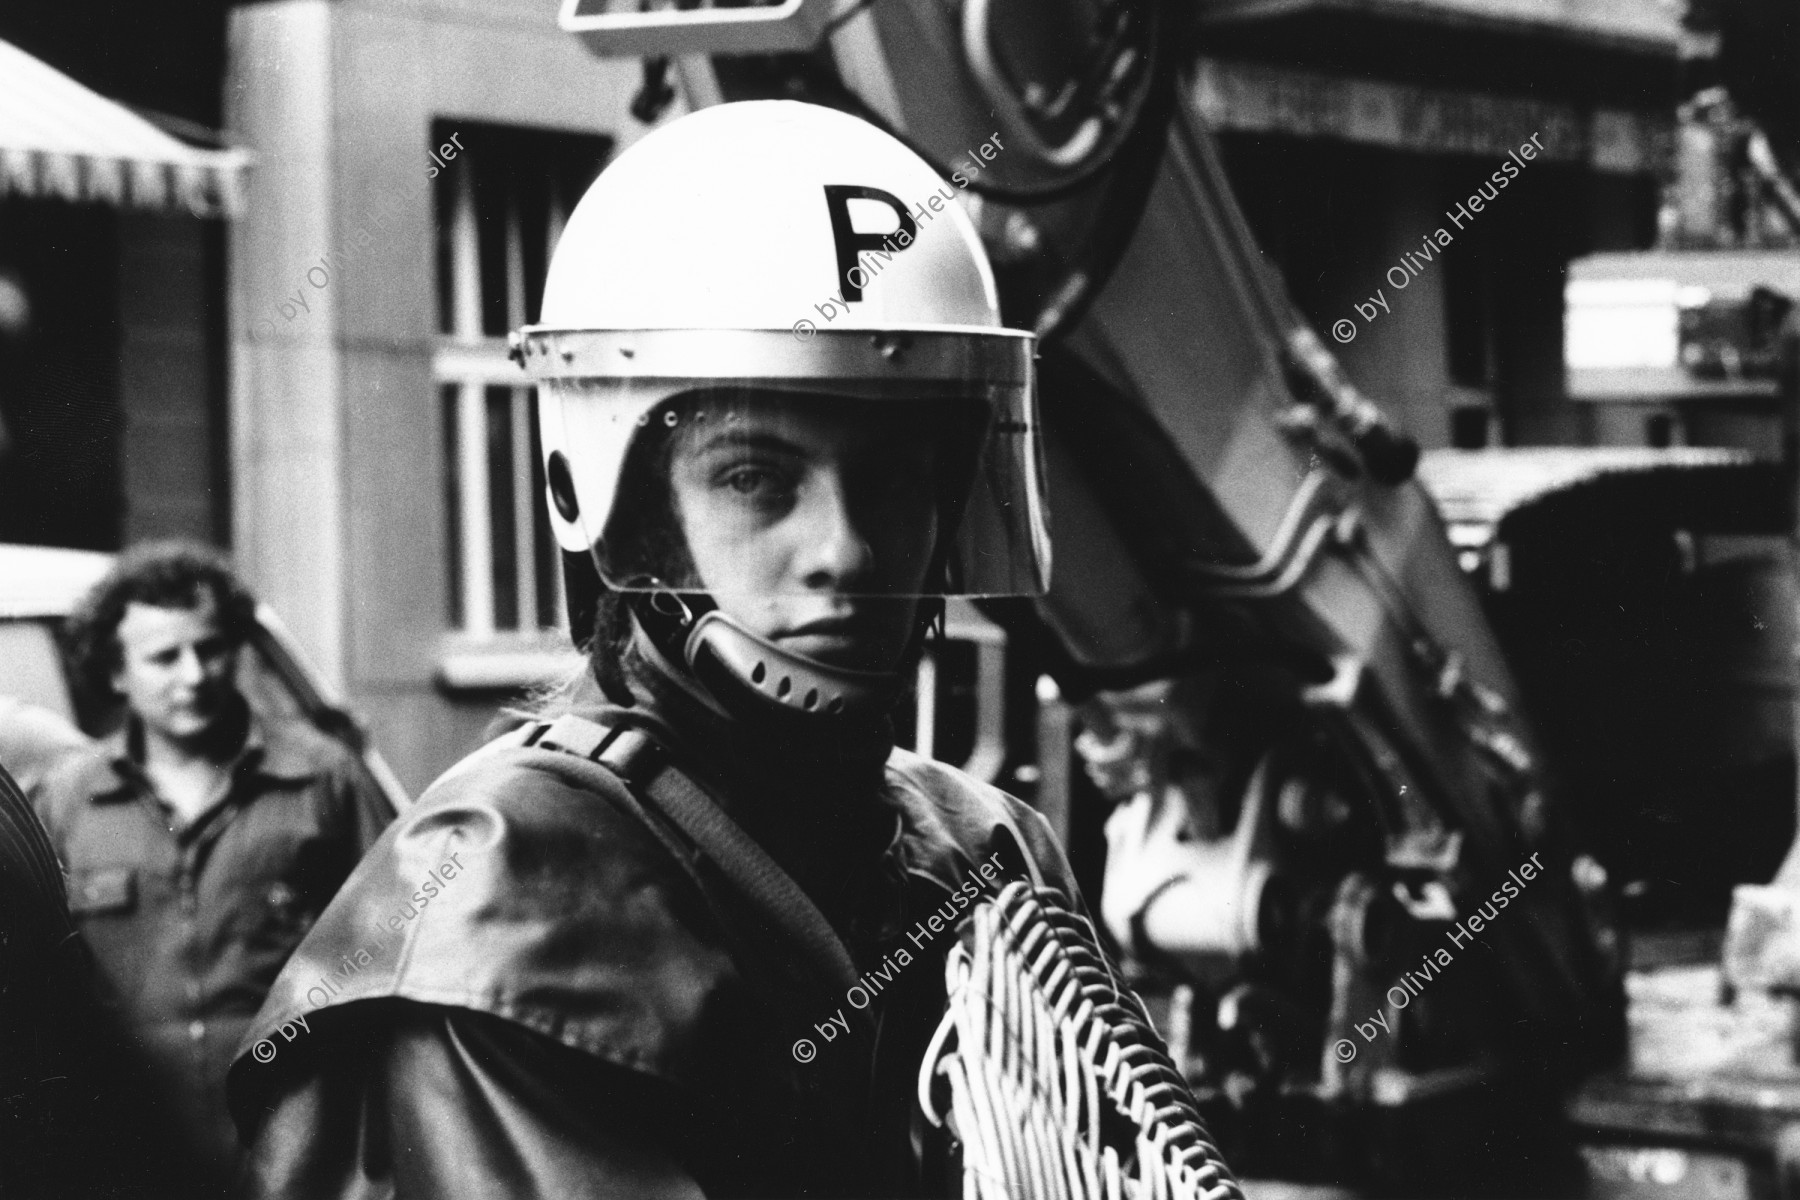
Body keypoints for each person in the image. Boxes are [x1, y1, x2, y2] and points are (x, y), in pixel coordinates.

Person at [229, 100, 1079, 1198]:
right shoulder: (507, 889)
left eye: (897, 474)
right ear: (621, 500)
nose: (844, 549)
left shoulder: (990, 849)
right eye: (755, 479)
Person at [33, 541, 394, 1198]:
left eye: (211, 648)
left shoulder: (325, 780)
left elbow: (395, 952)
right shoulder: (65, 801)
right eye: (164, 657)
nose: (193, 675)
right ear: (117, 672)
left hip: (294, 1159)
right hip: (129, 1165)